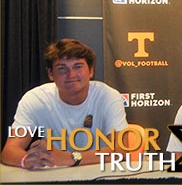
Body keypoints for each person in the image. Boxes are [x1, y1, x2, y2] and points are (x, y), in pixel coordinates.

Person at [1, 38, 128, 169]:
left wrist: (69, 158)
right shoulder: (34, 99)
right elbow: (9, 151)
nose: (71, 74)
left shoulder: (108, 96)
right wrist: (26, 160)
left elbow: (121, 150)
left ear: (91, 71)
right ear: (51, 74)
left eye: (78, 67)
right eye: (62, 68)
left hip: (100, 173)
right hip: (55, 175)